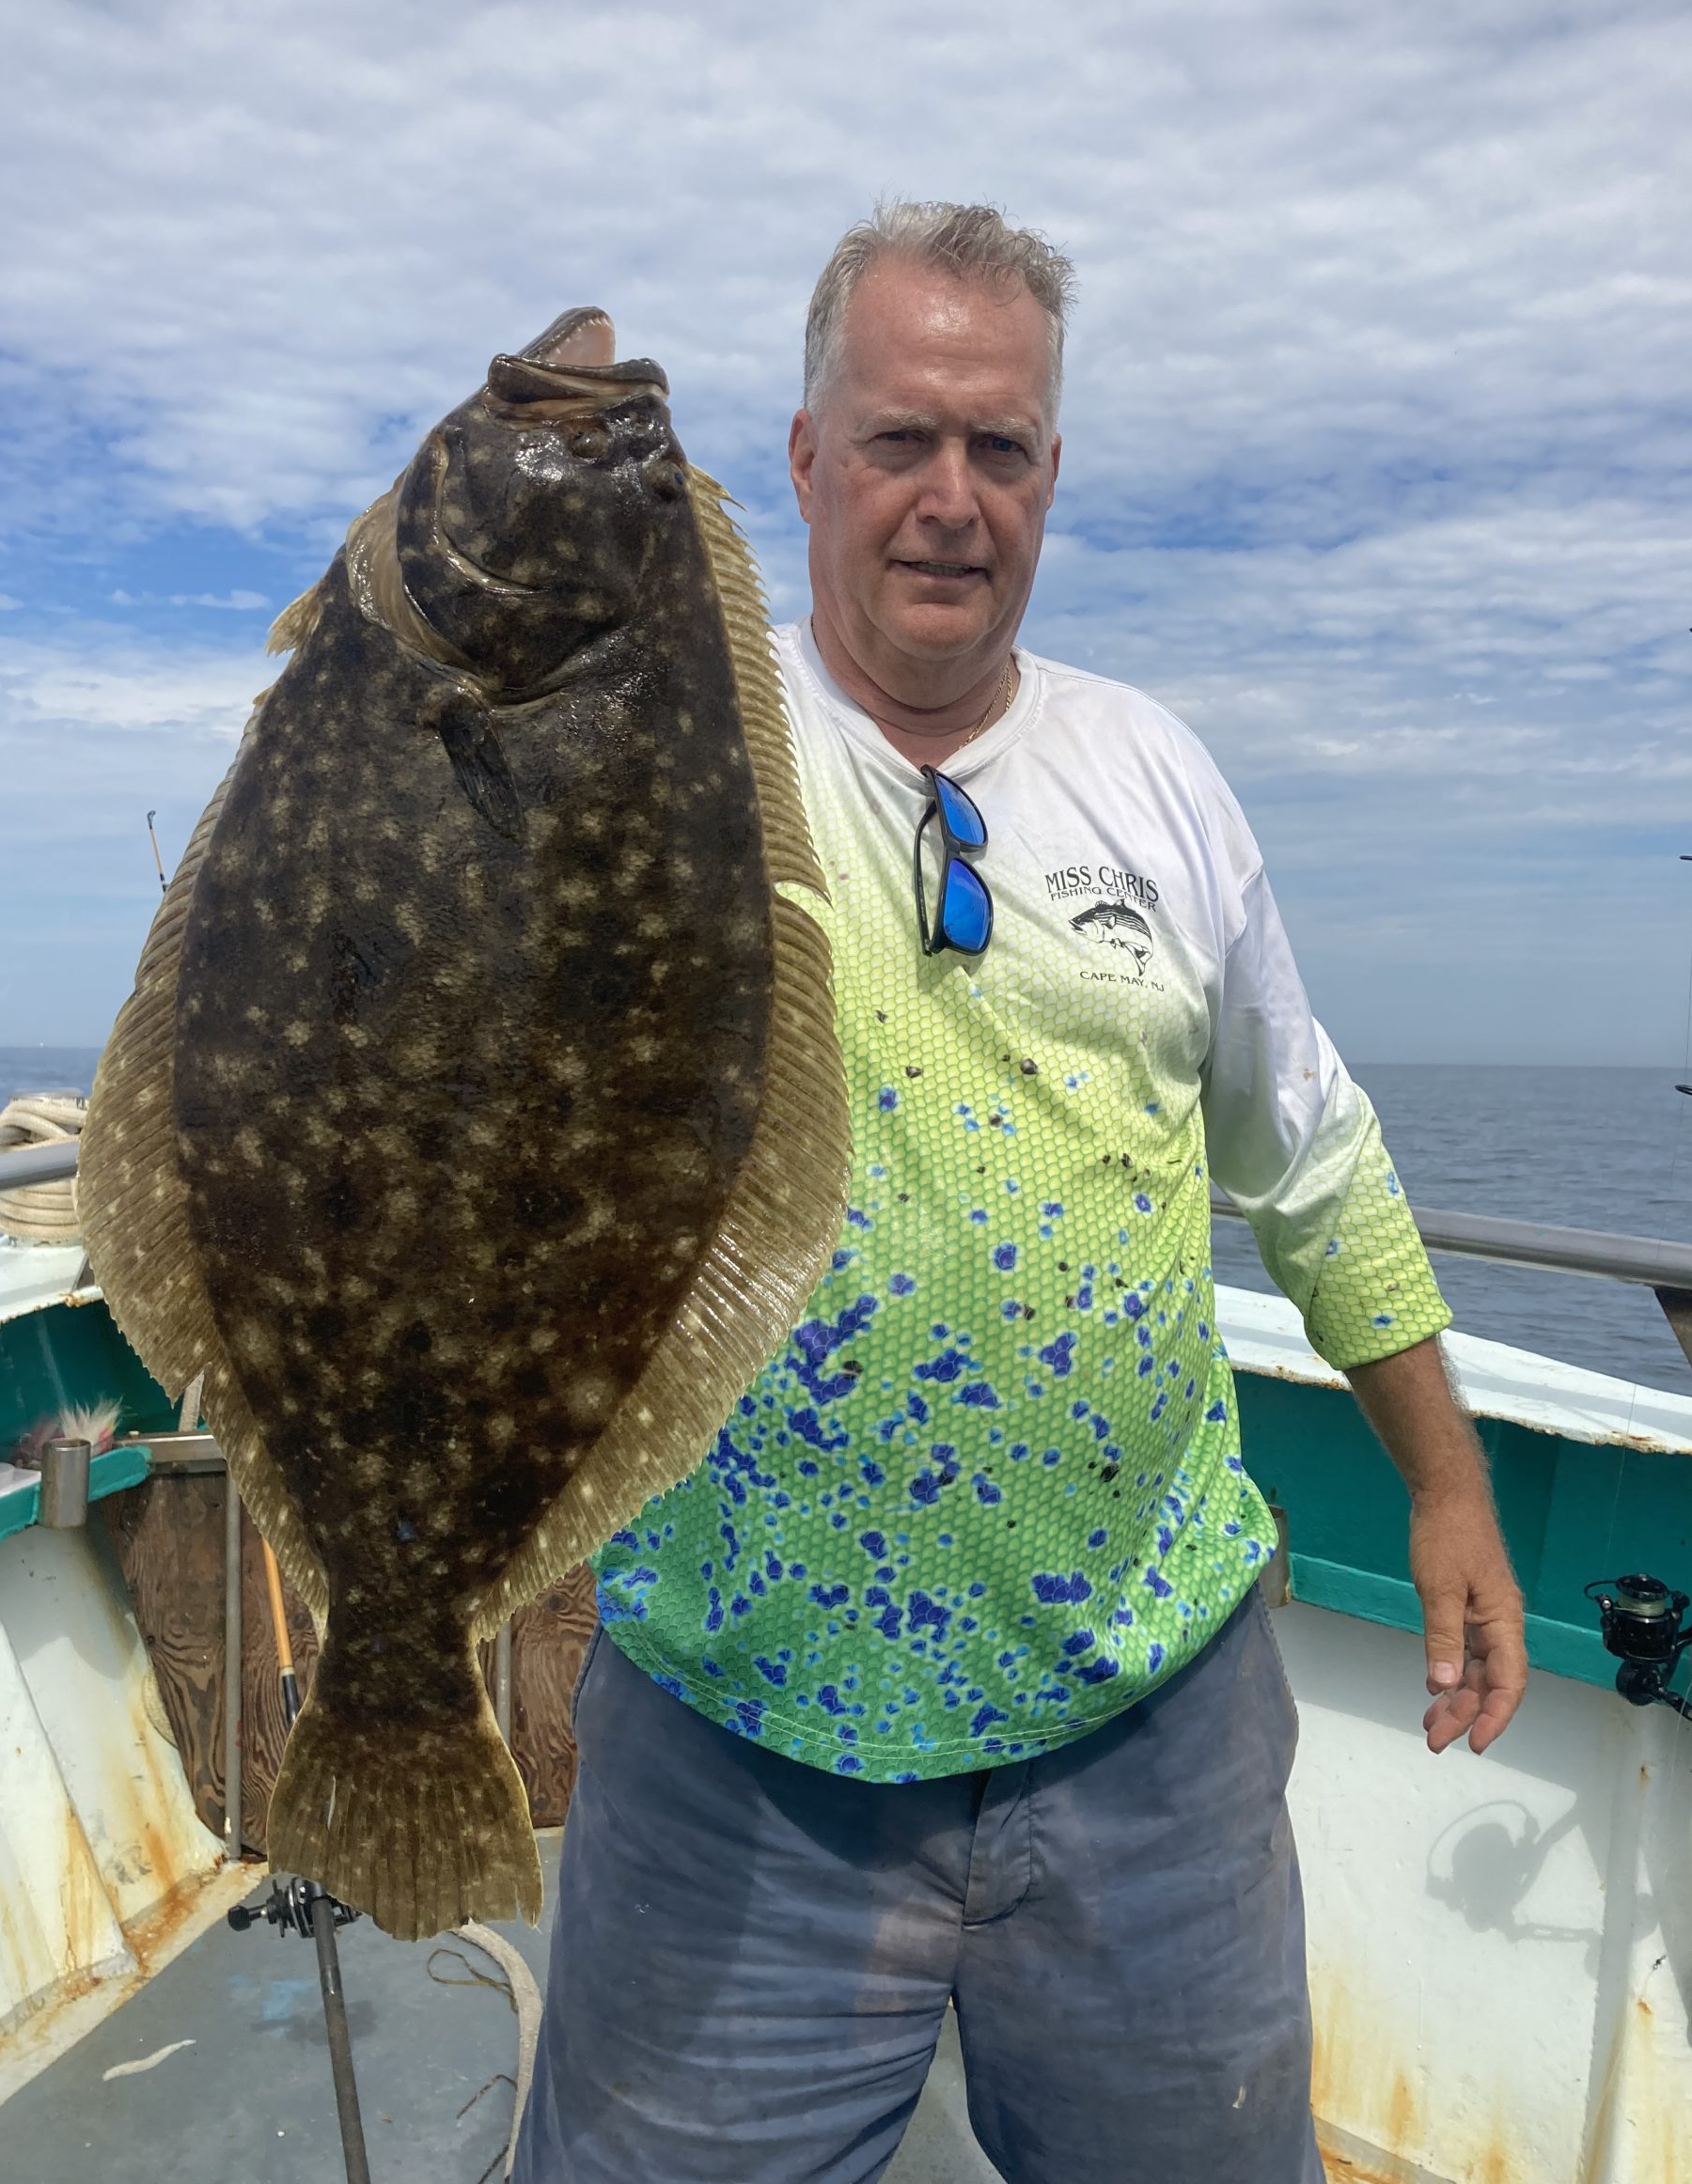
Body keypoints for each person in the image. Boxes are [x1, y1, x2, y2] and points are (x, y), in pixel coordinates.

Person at [509, 203, 1528, 2184]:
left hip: (1147, 1744)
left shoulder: (1158, 774)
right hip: (735, 1735)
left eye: (1001, 447)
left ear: (1053, 475)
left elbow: (1308, 1151)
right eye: (901, 438)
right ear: (806, 460)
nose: (950, 500)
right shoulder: (656, 757)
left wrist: (1447, 1478)